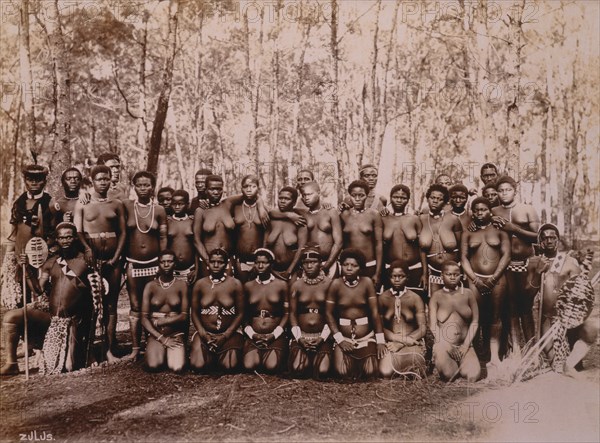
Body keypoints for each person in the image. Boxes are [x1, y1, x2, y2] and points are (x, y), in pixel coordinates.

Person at [525, 224, 598, 377]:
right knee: (555, 364)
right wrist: (538, 273)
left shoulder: (569, 262)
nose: (549, 241)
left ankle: (569, 364)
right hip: (548, 321)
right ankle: (564, 362)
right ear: (540, 241)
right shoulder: (534, 262)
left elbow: (582, 293)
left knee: (591, 329)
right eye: (545, 238)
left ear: (558, 240)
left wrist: (570, 315)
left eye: (553, 238)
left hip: (570, 318)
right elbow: (528, 295)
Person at [74, 165, 126, 363]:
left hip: (113, 259)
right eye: (99, 179)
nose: (103, 182)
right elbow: (78, 231)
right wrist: (87, 249)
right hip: (92, 260)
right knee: (94, 302)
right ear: (92, 180)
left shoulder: (116, 204)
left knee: (111, 304)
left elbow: (123, 233)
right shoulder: (83, 202)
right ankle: (91, 350)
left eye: (106, 179)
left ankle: (110, 348)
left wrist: (117, 257)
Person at [461, 197, 510, 369]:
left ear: (490, 211)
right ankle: (475, 353)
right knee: (475, 316)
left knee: (495, 317)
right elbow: (463, 258)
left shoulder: (499, 232)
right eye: (477, 210)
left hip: (497, 279)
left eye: (483, 209)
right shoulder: (468, 233)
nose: (480, 213)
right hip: (475, 279)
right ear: (472, 212)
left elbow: (506, 256)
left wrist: (494, 277)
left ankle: (494, 356)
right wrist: (474, 279)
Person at [39, 223, 95, 374]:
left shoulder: (85, 261)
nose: (65, 241)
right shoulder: (51, 262)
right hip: (53, 319)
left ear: (75, 238)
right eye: (61, 238)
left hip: (74, 319)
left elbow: (94, 293)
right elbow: (38, 289)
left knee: (69, 367)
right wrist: (26, 270)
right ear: (56, 240)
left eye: (69, 237)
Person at [123, 171, 168, 360]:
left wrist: (163, 262)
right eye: (139, 185)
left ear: (152, 187)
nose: (143, 188)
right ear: (134, 186)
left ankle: (154, 343)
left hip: (154, 263)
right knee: (135, 305)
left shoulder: (159, 210)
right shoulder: (126, 206)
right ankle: (135, 348)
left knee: (155, 304)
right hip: (133, 263)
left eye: (147, 185)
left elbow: (163, 237)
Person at [492, 175, 539, 350]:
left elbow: (539, 238)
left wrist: (514, 229)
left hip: (527, 263)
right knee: (510, 307)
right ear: (497, 193)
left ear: (515, 191)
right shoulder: (494, 211)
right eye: (501, 190)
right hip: (506, 265)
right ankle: (516, 350)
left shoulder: (527, 209)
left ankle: (532, 350)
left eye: (508, 190)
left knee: (526, 307)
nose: (504, 193)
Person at [326, 248, 387, 379]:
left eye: (354, 265)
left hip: (365, 337)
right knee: (342, 372)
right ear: (341, 265)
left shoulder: (367, 283)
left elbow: (375, 312)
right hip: (344, 337)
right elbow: (328, 313)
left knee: (370, 371)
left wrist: (380, 340)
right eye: (346, 265)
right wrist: (340, 340)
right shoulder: (336, 284)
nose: (349, 268)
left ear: (360, 268)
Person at [193, 175, 267, 278]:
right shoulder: (200, 211)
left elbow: (250, 194)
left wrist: (260, 205)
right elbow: (196, 240)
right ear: (205, 190)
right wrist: (208, 261)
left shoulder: (227, 204)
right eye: (212, 189)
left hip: (228, 261)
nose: (215, 192)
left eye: (219, 189)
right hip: (208, 261)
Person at [2, 165, 53, 310]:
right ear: (25, 181)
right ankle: (24, 332)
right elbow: (13, 233)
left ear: (45, 181)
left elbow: (55, 233)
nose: (34, 183)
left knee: (43, 296)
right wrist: (9, 257)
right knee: (22, 298)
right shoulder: (19, 203)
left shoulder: (49, 203)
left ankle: (41, 329)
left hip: (43, 258)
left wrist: (47, 250)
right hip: (22, 257)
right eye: (30, 180)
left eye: (38, 180)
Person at [190, 248, 244, 372]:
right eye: (212, 261)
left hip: (229, 334)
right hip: (206, 334)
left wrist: (225, 336)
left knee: (229, 367)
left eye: (220, 262)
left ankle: (220, 354)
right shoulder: (200, 284)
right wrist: (204, 334)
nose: (215, 265)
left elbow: (240, 314)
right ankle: (208, 354)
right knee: (198, 367)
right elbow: (194, 313)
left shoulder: (235, 284)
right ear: (208, 263)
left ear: (226, 264)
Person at [429, 261, 480, 382]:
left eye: (456, 274)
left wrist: (465, 346)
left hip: (464, 345)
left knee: (473, 376)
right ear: (442, 276)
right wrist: (446, 345)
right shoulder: (436, 296)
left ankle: (464, 360)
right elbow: (432, 325)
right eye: (449, 274)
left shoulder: (468, 294)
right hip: (444, 345)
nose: (452, 277)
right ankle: (441, 360)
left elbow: (475, 321)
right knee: (449, 375)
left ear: (461, 276)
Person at [288, 246, 333, 378]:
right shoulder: (296, 285)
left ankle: (318, 358)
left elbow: (332, 315)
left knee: (322, 372)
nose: (309, 265)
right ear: (302, 265)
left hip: (322, 336)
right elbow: (292, 313)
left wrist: (322, 338)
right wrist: (299, 337)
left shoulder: (329, 284)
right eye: (306, 263)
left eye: (313, 262)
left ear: (320, 264)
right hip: (302, 335)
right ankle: (306, 359)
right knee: (298, 369)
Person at [140, 250, 188, 372]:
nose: (166, 265)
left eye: (170, 261)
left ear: (175, 264)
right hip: (157, 335)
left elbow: (184, 316)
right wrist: (162, 339)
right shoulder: (150, 286)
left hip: (175, 333)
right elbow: (144, 318)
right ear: (159, 264)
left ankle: (173, 353)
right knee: (153, 366)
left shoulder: (182, 285)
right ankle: (158, 350)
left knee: (177, 368)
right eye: (163, 262)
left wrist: (162, 321)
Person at [242, 249, 289, 373]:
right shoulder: (248, 286)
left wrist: (274, 334)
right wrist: (252, 334)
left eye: (264, 263)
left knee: (271, 367)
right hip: (254, 335)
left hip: (275, 335)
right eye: (257, 263)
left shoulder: (282, 285)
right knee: (249, 366)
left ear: (271, 264)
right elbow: (244, 316)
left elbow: (287, 314)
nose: (260, 266)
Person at [378, 261, 427, 378]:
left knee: (416, 367)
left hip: (411, 343)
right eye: (394, 276)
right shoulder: (382, 298)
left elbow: (422, 329)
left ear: (407, 278)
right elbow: (379, 327)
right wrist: (396, 339)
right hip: (390, 343)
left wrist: (401, 343)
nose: (397, 279)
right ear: (389, 278)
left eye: (401, 276)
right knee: (385, 372)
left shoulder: (415, 298)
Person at [382, 184, 427, 294]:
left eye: (403, 198)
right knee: (392, 304)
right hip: (391, 271)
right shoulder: (383, 218)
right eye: (396, 197)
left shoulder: (415, 219)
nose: (399, 200)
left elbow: (422, 248)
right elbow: (379, 247)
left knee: (414, 302)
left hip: (414, 269)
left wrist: (425, 273)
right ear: (390, 198)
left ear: (407, 200)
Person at [419, 184, 462, 296]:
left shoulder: (453, 220)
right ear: (427, 198)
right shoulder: (421, 220)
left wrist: (462, 270)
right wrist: (424, 273)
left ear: (445, 202)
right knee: (435, 303)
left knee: (454, 304)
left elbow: (461, 246)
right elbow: (422, 250)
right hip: (432, 271)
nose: (435, 201)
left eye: (439, 199)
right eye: (432, 198)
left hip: (453, 272)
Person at [340, 180, 383, 288]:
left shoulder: (374, 215)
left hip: (369, 265)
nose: (358, 199)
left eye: (361, 195)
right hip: (349, 267)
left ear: (367, 196)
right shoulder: (344, 214)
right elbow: (340, 242)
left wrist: (377, 273)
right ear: (350, 196)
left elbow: (379, 244)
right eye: (354, 195)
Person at [297, 182, 342, 279]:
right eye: (303, 195)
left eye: (309, 194)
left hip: (329, 263)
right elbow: (277, 211)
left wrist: (326, 266)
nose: (306, 198)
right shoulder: (303, 214)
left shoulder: (331, 212)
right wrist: (289, 215)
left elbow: (339, 242)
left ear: (318, 193)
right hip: (310, 265)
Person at [264, 187, 307, 280]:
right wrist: (268, 269)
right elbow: (265, 245)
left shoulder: (299, 221)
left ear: (294, 202)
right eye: (280, 198)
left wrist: (289, 271)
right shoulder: (271, 219)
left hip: (292, 271)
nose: (282, 201)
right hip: (271, 270)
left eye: (287, 199)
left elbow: (301, 249)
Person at [232, 175, 267, 282]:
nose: (249, 189)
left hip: (260, 262)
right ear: (241, 188)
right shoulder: (234, 208)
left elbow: (267, 233)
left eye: (253, 186)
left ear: (258, 188)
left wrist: (290, 216)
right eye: (245, 186)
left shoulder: (264, 210)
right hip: (240, 260)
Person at [167, 190, 197, 283]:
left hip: (190, 270)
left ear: (187, 204)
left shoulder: (193, 221)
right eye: (174, 204)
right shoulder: (167, 221)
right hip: (171, 271)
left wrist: (197, 269)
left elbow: (197, 246)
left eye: (180, 204)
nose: (177, 207)